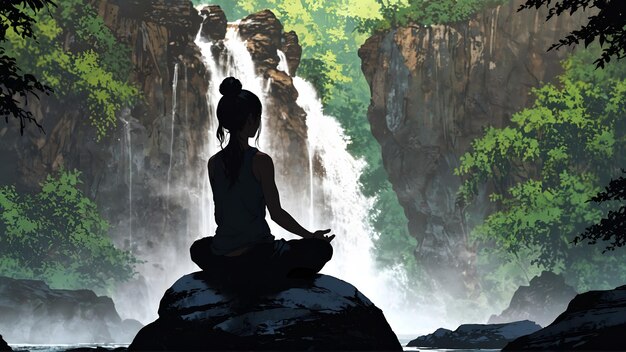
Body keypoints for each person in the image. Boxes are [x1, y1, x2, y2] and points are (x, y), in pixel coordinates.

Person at [190, 76, 334, 286]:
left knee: (198, 248)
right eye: (257, 118)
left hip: (223, 256)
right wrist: (310, 236)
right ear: (250, 120)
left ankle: (231, 275)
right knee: (321, 249)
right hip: (259, 255)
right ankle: (271, 279)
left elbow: (219, 213)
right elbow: (276, 214)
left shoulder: (213, 163)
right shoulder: (260, 161)